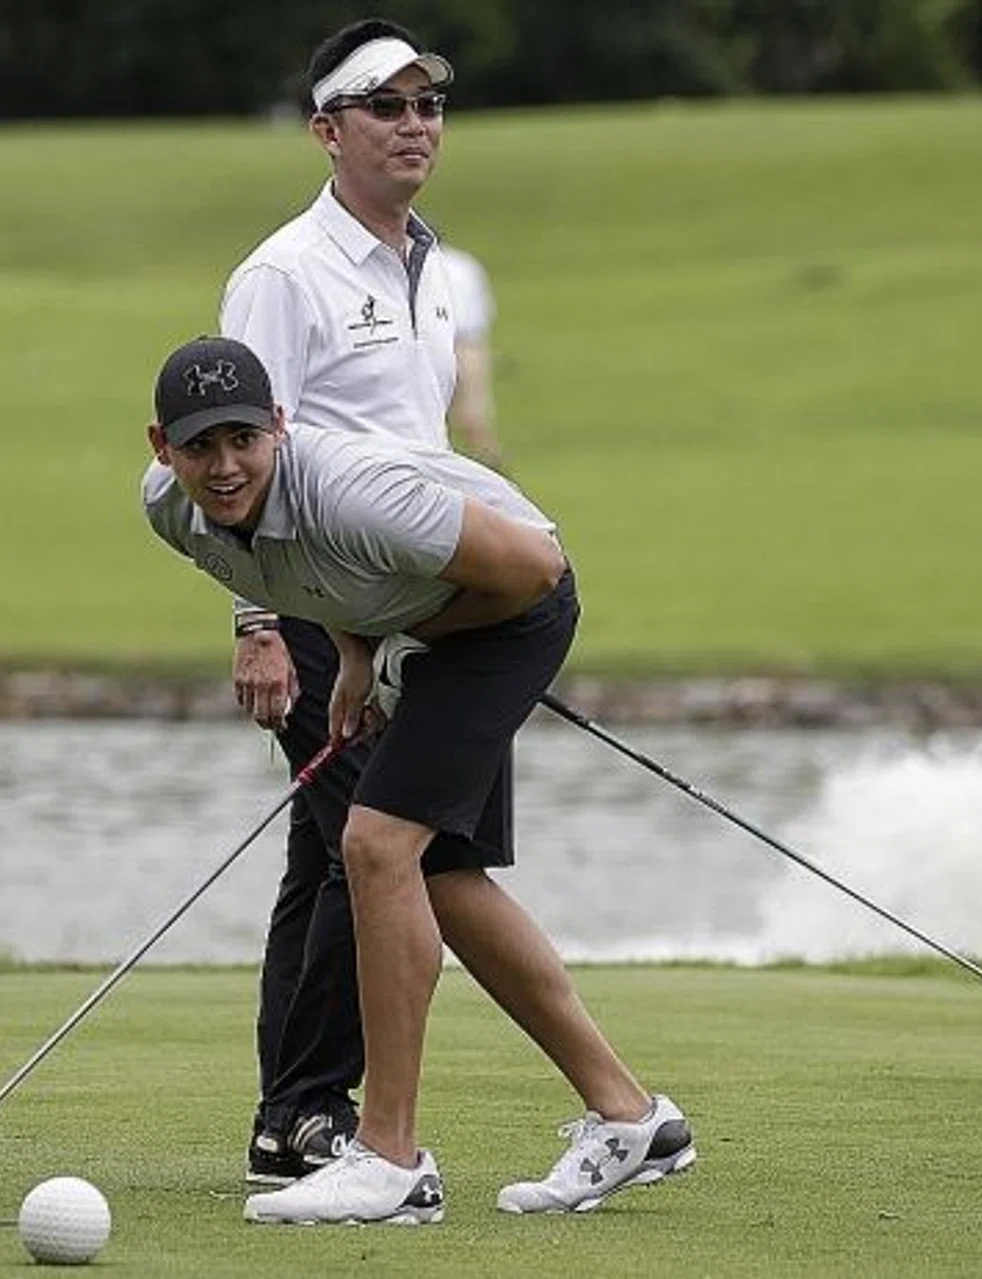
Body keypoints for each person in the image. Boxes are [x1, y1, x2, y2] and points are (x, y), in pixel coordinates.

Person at [140, 334, 696, 1225]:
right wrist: (357, 655)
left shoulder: (359, 494)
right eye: (200, 445)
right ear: (161, 446)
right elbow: (309, 575)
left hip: (508, 605)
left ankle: (391, 1158)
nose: (225, 465)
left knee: (374, 842)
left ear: (281, 427)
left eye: (244, 439)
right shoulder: (170, 511)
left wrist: (405, 650)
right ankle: (633, 1118)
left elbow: (535, 573)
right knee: (442, 877)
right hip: (430, 612)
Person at [218, 18, 488, 1186]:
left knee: (327, 860)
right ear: (328, 132)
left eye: (428, 105)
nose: (414, 125)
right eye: (386, 106)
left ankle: (294, 1117)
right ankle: (318, 1117)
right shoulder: (283, 273)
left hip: (416, 617)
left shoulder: (432, 266)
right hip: (319, 611)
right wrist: (257, 624)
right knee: (377, 858)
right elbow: (227, 455)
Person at [440, 243, 503, 470]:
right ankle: (493, 472)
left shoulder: (421, 264)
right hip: (471, 345)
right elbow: (484, 308)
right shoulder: (465, 263)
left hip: (439, 346)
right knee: (473, 418)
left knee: (435, 420)